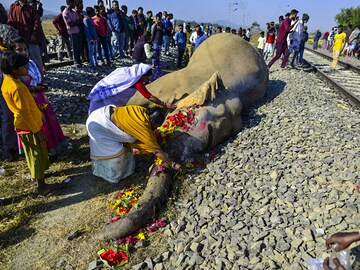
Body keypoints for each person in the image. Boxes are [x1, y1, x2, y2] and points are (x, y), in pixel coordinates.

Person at [86, 105, 181, 183]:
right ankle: (110, 177)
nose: (155, 129)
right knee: (117, 154)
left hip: (100, 114)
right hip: (99, 125)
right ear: (152, 121)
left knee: (128, 147)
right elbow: (156, 151)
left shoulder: (143, 111)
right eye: (156, 126)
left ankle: (125, 171)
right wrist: (173, 164)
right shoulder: (142, 124)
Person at [1, 52, 52, 194]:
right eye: (24, 67)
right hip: (29, 127)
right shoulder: (16, 87)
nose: (26, 69)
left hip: (29, 124)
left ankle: (41, 174)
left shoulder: (9, 82)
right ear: (13, 69)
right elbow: (24, 112)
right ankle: (41, 185)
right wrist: (38, 131)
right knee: (35, 155)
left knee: (38, 153)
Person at [9, 37, 67, 159]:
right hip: (29, 103)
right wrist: (35, 89)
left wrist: (41, 86)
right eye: (19, 50)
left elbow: (37, 79)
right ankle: (42, 154)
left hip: (41, 99)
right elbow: (19, 89)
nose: (23, 52)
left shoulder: (31, 64)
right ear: (13, 51)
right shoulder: (14, 70)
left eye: (25, 49)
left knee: (47, 122)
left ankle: (52, 149)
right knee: (37, 125)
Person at [87, 63, 176, 114]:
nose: (146, 81)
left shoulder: (129, 71)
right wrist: (164, 104)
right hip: (109, 98)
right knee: (103, 113)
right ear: (142, 75)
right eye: (146, 78)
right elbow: (149, 97)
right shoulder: (137, 82)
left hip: (109, 96)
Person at [8, 0, 43, 73]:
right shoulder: (13, 7)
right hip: (18, 39)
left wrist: (34, 34)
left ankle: (40, 77)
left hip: (30, 37)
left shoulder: (31, 8)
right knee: (19, 60)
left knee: (36, 58)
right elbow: (10, 20)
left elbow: (37, 22)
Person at [63, 0, 83, 67]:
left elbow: (79, 20)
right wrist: (76, 22)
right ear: (70, 3)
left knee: (79, 47)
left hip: (77, 31)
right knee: (75, 47)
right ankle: (76, 61)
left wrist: (75, 22)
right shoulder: (65, 12)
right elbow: (70, 24)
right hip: (72, 32)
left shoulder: (73, 11)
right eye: (74, 3)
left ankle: (79, 61)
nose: (75, 4)